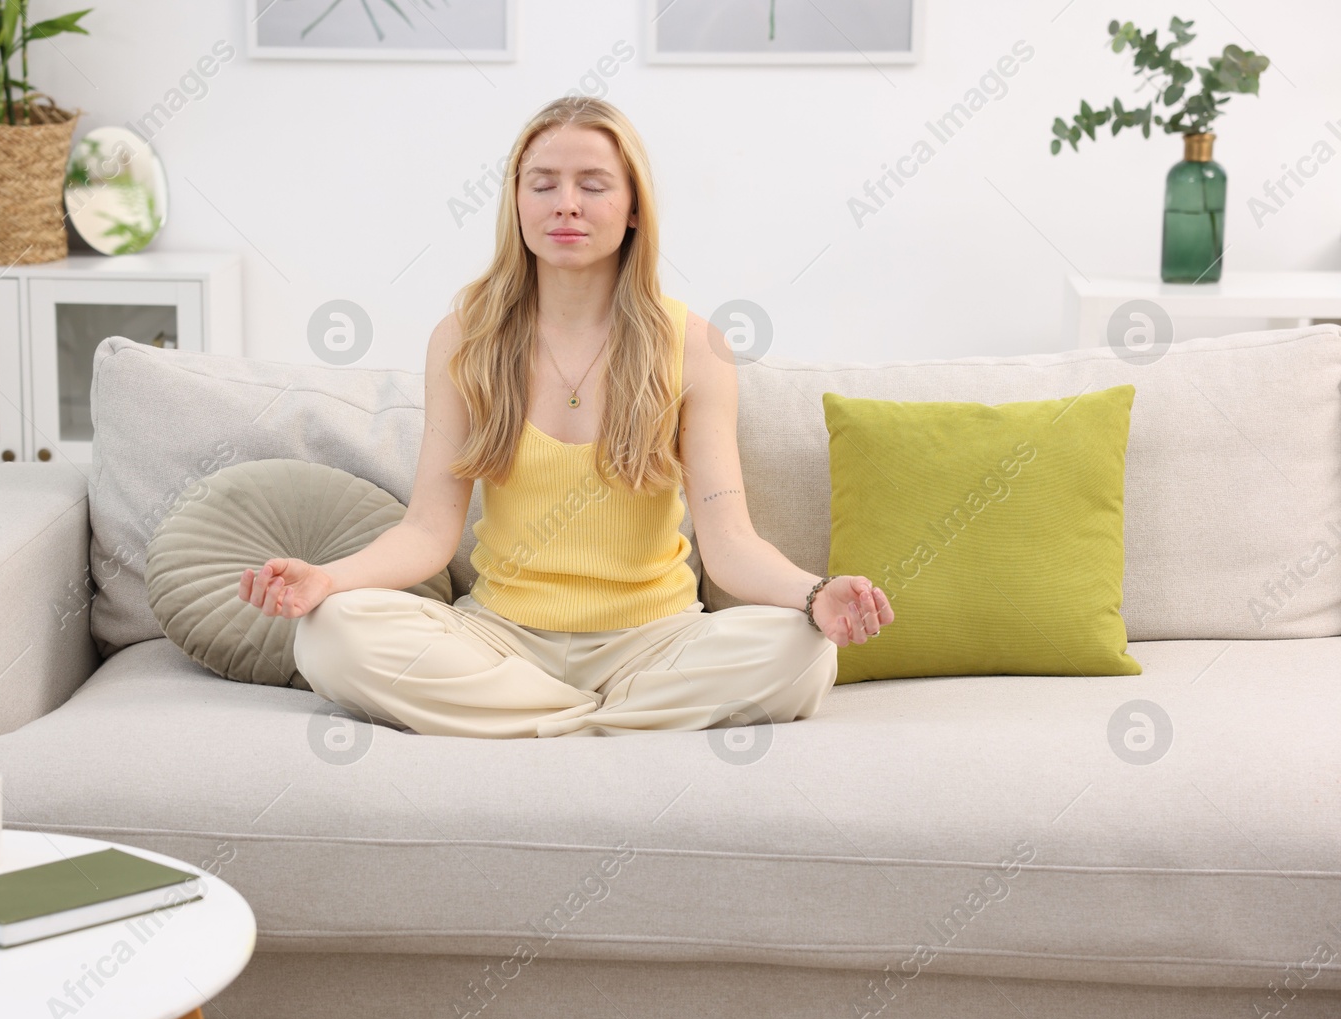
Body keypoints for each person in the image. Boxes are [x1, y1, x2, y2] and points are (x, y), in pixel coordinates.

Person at [238, 95, 893, 739]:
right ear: (517, 203)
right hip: (500, 638)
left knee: (803, 651)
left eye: (594, 185)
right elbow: (427, 533)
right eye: (543, 184)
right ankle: (605, 720)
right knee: (330, 633)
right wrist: (328, 579)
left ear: (634, 207)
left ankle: (535, 719)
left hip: (657, 640)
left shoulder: (695, 344)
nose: (566, 203)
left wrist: (815, 594)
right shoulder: (464, 337)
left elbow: (730, 546)